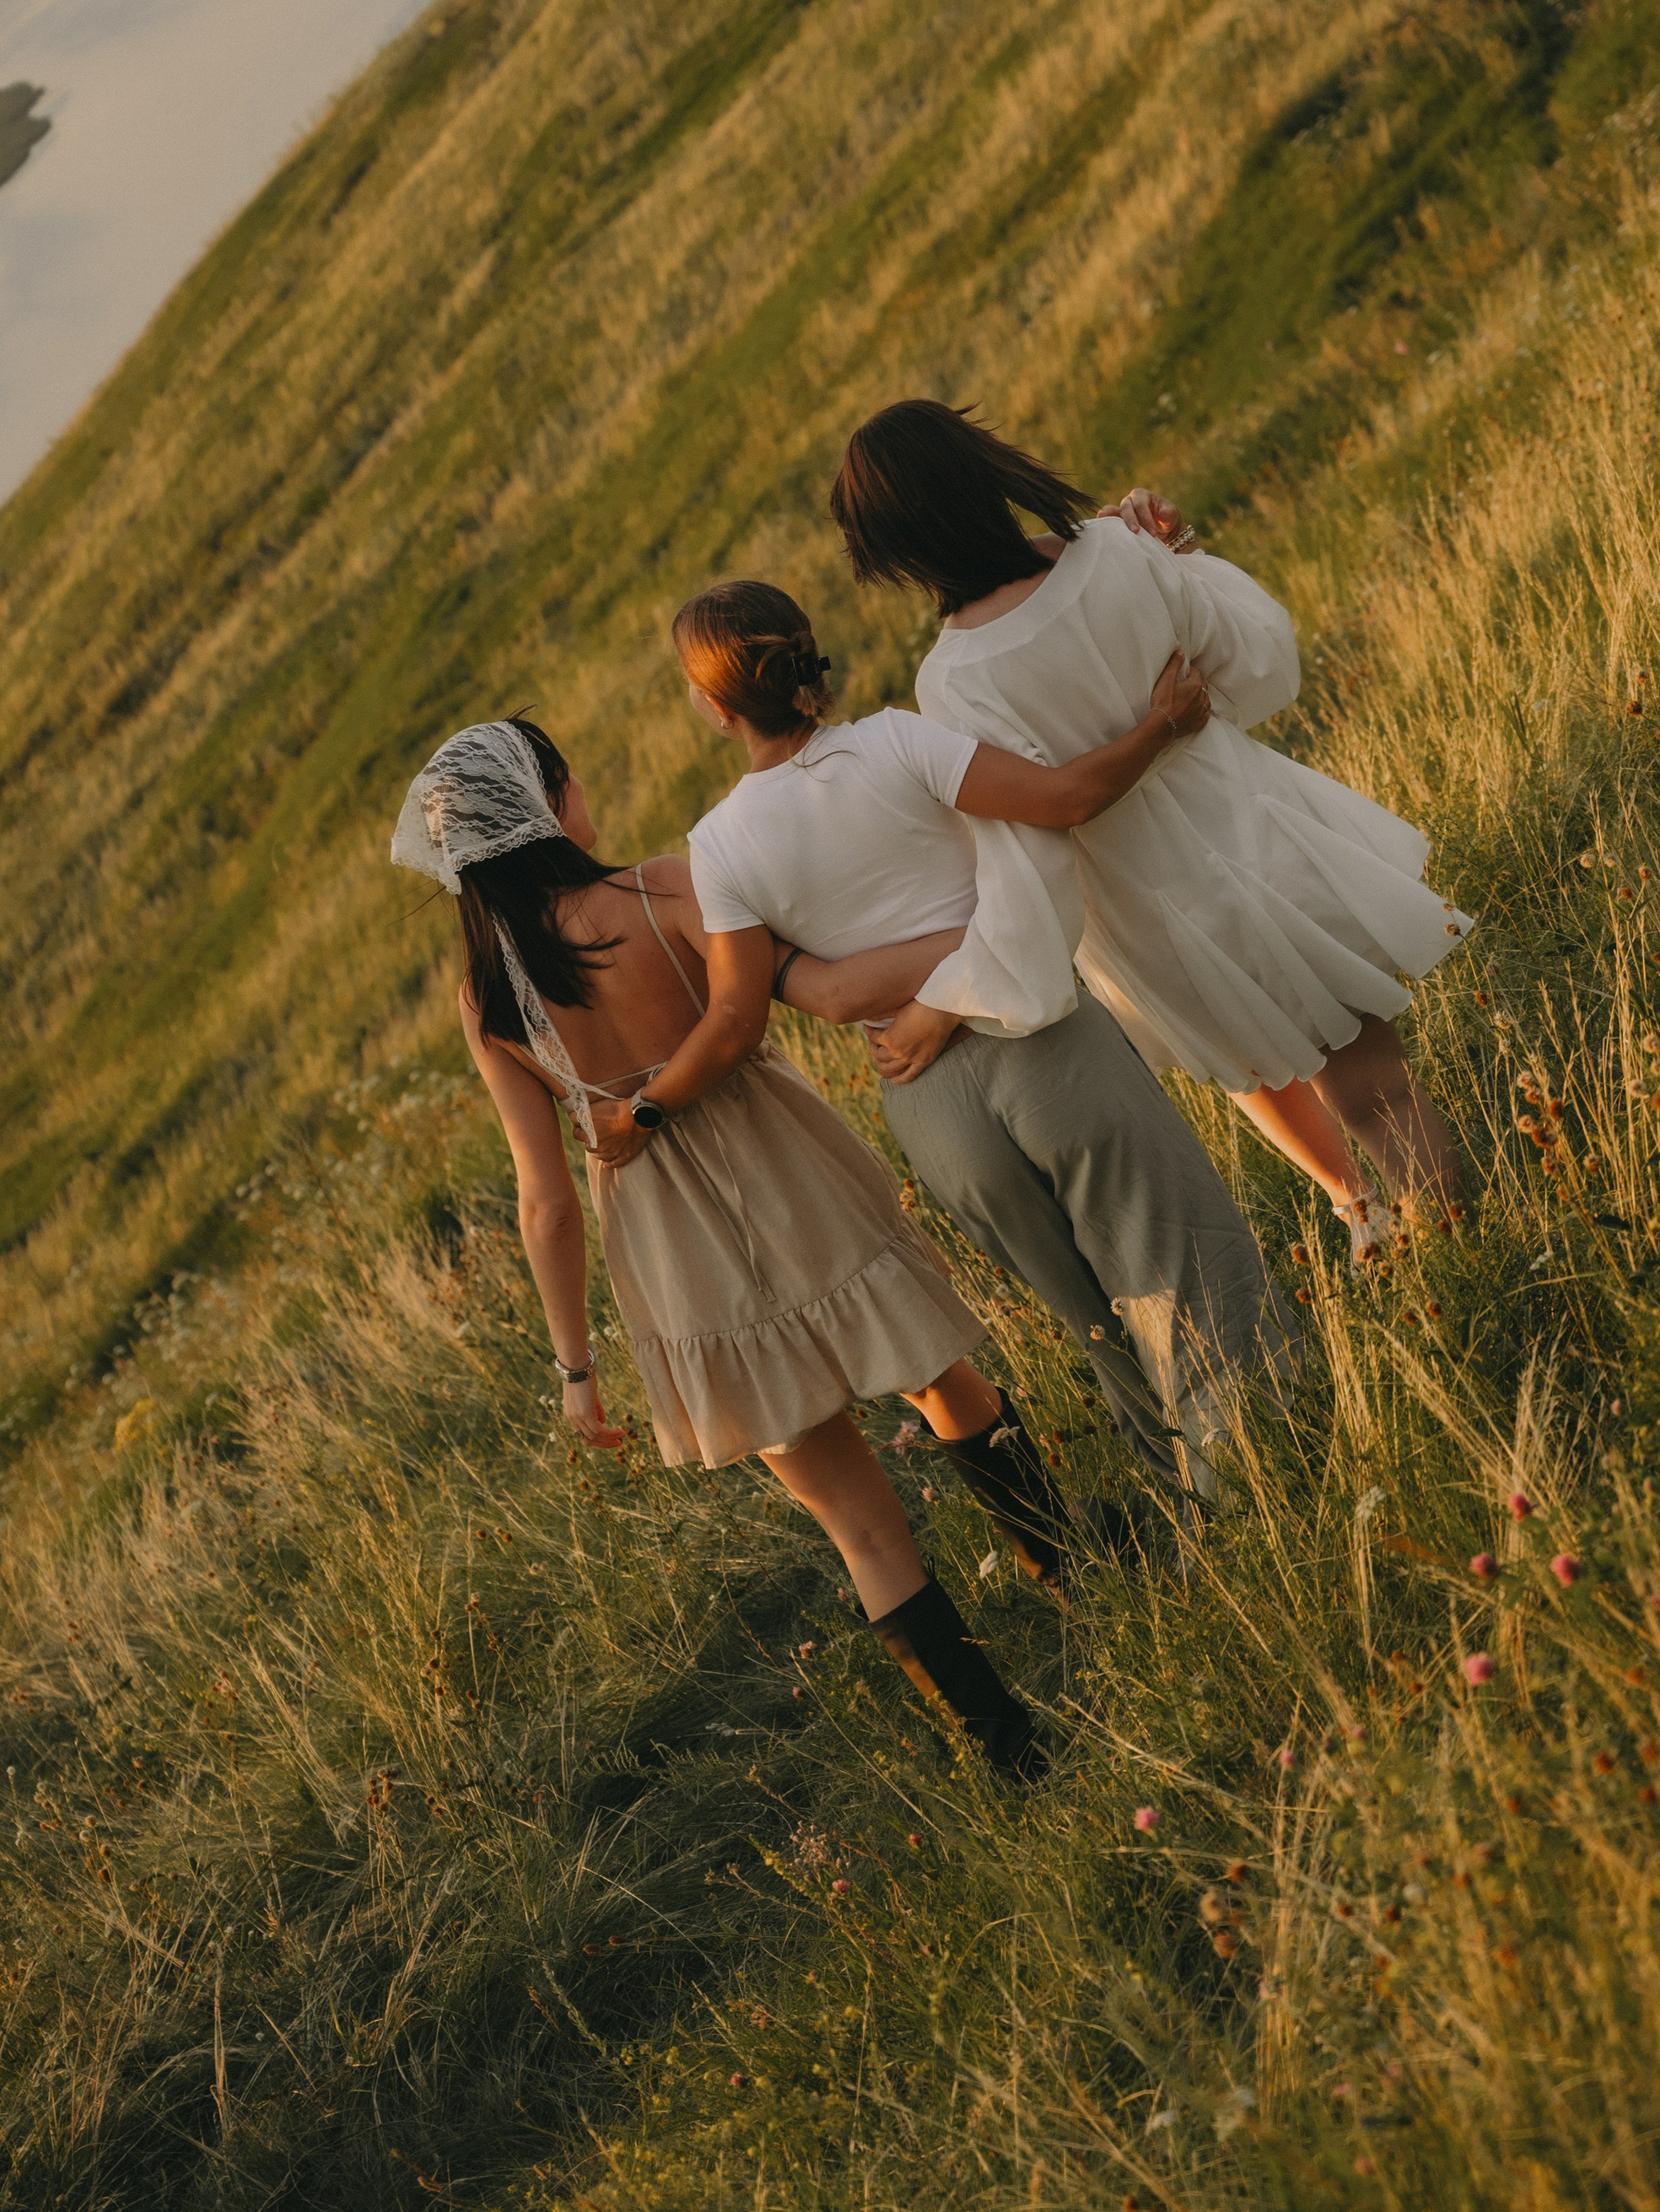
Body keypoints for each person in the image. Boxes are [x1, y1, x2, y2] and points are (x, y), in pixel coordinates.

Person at [394, 713, 1149, 1783]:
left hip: (666, 1236)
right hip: (785, 1165)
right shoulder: (662, 890)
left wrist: (577, 1370)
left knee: (856, 1521)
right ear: (549, 801)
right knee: (941, 1377)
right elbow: (771, 1003)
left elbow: (544, 1201)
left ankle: (1010, 1751)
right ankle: (1068, 1566)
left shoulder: (488, 999)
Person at [673, 580, 1298, 1522]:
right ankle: (1270, 1482)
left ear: (717, 707)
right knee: (1180, 1266)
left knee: (1089, 1318)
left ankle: (1189, 1508)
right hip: (1039, 1036)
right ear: (808, 654)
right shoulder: (896, 740)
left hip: (928, 1104)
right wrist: (1160, 725)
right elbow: (1065, 799)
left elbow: (813, 997)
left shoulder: (716, 849)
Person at [827, 402, 1473, 1237]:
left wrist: (955, 994)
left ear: (896, 548)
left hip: (1144, 905)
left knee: (1251, 1062)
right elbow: (1254, 662)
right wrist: (1174, 563)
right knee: (1373, 1086)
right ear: (984, 474)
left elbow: (1034, 840)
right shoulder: (1113, 553)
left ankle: (1400, 1225)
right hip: (1256, 831)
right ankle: (1452, 1242)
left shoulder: (952, 680)